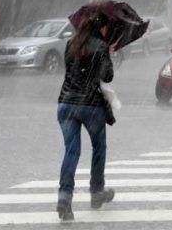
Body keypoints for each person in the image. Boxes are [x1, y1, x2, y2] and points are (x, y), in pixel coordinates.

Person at [56, 12, 116, 221]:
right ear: (101, 28)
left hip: (66, 104)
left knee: (71, 152)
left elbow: (71, 71)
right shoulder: (100, 47)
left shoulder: (71, 43)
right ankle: (96, 193)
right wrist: (108, 54)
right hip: (90, 106)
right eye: (106, 28)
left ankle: (64, 198)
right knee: (99, 148)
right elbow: (107, 76)